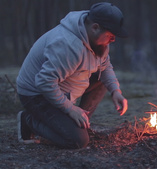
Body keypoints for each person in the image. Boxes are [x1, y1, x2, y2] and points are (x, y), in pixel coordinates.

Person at [16, 2, 128, 149]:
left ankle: (80, 122)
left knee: (102, 80)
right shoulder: (68, 46)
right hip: (36, 94)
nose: (112, 40)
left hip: (60, 87)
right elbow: (43, 82)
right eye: (110, 35)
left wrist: (115, 91)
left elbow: (104, 66)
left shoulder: (97, 41)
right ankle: (28, 120)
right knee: (78, 141)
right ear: (95, 27)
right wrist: (69, 109)